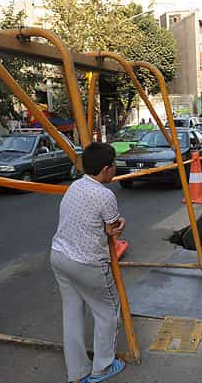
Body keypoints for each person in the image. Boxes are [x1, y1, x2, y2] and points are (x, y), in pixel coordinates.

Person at [50, 142, 126, 383]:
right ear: (106, 169)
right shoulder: (105, 194)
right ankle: (102, 368)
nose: (115, 169)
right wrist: (120, 224)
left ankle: (77, 372)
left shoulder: (75, 186)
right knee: (109, 311)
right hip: (87, 263)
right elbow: (111, 229)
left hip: (59, 256)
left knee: (72, 313)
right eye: (114, 165)